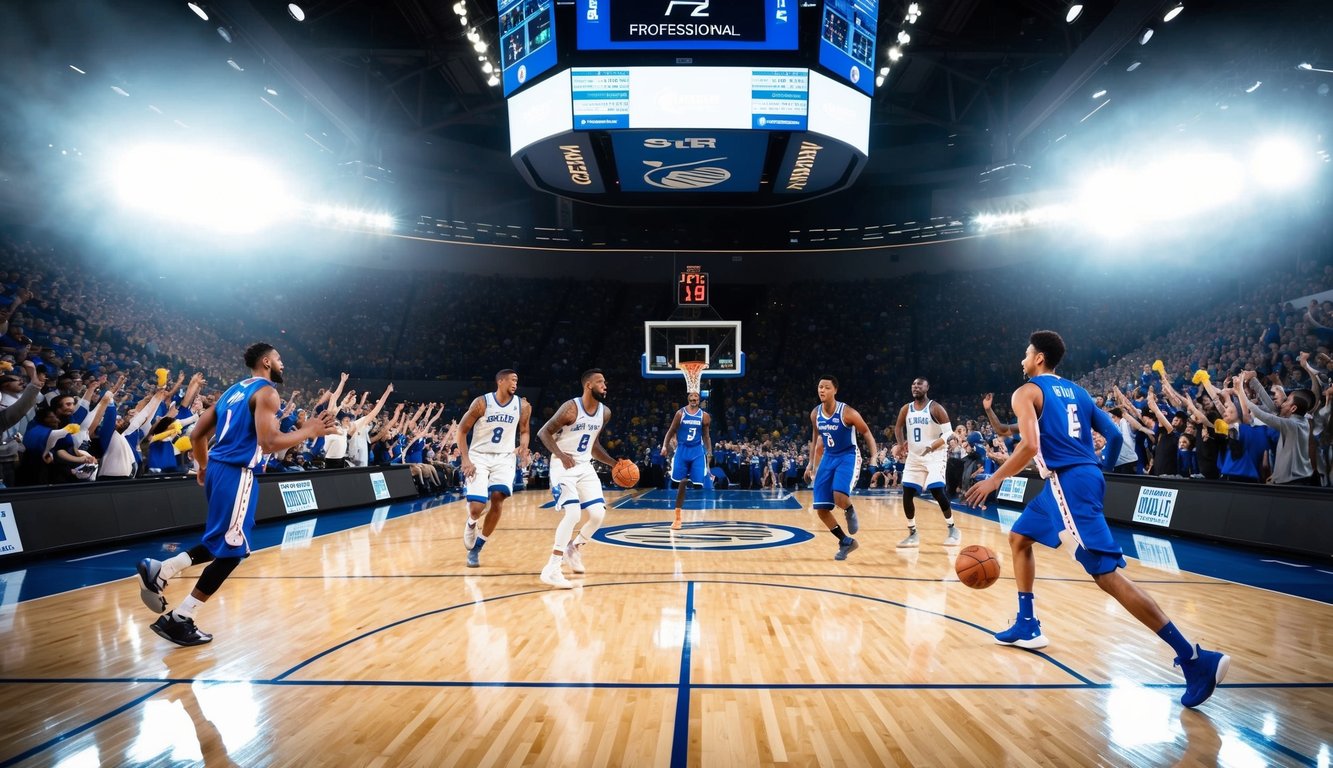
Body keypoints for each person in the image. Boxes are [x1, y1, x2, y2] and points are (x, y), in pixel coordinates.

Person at [964, 330, 1228, 708]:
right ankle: (1027, 623)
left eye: (1026, 352)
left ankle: (1195, 660)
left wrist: (993, 479)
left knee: (1105, 574)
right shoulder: (1079, 393)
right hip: (1072, 481)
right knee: (1019, 537)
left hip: (1066, 484)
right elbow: (1113, 437)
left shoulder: (1026, 392)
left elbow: (1031, 446)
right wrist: (1096, 466)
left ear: (1038, 358)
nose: (1022, 358)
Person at [134, 343, 336, 646]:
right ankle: (181, 618)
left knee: (224, 539)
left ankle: (163, 570)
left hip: (218, 469)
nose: (283, 365)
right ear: (266, 362)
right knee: (234, 550)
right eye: (280, 360)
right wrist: (310, 431)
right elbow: (269, 443)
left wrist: (203, 465)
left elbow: (196, 435)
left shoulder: (232, 391)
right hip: (238, 472)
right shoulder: (266, 392)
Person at [536, 369, 616, 588]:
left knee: (598, 515)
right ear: (588, 385)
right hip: (562, 466)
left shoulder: (605, 412)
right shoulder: (571, 408)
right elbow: (544, 432)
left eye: (605, 382)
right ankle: (551, 569)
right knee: (572, 514)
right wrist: (561, 455)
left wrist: (614, 464)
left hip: (584, 466)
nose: (605, 385)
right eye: (600, 382)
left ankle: (574, 547)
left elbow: (594, 445)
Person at [458, 369, 532, 567]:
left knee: (498, 499)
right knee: (476, 508)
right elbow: (462, 430)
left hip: (504, 457)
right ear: (500, 381)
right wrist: (465, 459)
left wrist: (524, 446)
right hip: (479, 456)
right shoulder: (482, 402)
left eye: (517, 380)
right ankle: (472, 522)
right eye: (512, 380)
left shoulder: (523, 406)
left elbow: (524, 431)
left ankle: (477, 548)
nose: (515, 383)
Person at [803, 376, 877, 561]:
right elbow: (815, 438)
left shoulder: (847, 412)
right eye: (820, 387)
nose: (822, 390)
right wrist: (811, 464)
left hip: (847, 456)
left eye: (826, 387)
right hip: (828, 457)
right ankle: (845, 541)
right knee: (821, 509)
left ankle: (849, 509)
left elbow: (866, 432)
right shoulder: (815, 413)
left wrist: (874, 456)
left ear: (835, 390)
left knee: (839, 497)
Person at [892, 378, 960, 547]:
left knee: (936, 489)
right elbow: (898, 428)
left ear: (927, 388)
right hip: (914, 457)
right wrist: (901, 445)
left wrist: (932, 446)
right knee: (907, 493)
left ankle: (953, 529)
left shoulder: (936, 408)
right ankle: (912, 533)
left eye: (919, 385)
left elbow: (948, 433)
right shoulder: (906, 409)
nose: (915, 387)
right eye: (913, 384)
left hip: (935, 455)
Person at [661, 390, 711, 530]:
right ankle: (677, 518)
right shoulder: (680, 413)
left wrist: (709, 452)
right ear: (688, 399)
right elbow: (671, 430)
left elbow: (706, 436)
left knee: (698, 486)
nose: (694, 399)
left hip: (697, 450)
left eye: (696, 397)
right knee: (679, 483)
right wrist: (665, 446)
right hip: (682, 449)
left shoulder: (705, 416)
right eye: (691, 397)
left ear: (699, 400)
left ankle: (694, 512)